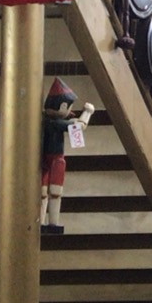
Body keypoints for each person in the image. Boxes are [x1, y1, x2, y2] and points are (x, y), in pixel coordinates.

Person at [41, 77, 93, 234]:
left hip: (46, 160)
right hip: (55, 159)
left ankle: (46, 222)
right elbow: (79, 126)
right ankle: (51, 222)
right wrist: (88, 113)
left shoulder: (47, 121)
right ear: (63, 106)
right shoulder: (54, 123)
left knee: (46, 192)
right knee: (52, 192)